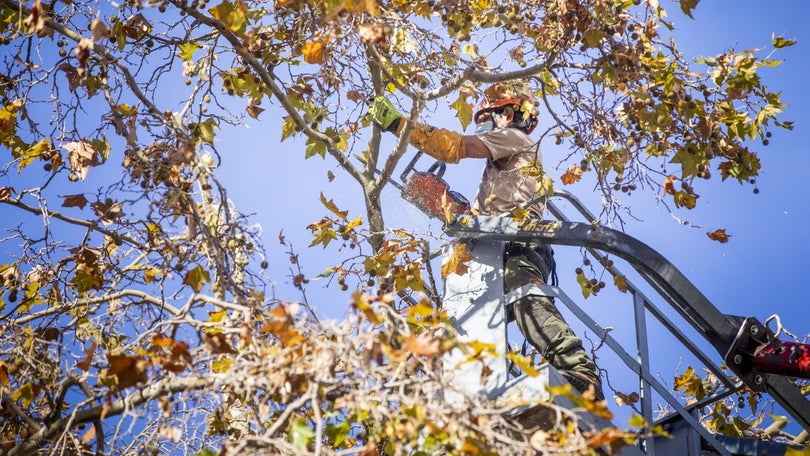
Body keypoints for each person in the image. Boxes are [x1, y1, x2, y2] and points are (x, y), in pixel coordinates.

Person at [367, 82, 604, 400]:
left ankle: (581, 373)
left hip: (520, 244)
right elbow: (478, 217)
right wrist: (446, 205)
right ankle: (488, 383)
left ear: (507, 114)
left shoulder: (515, 138)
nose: (482, 130)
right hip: (496, 248)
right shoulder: (499, 175)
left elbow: (454, 147)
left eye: (486, 121)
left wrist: (399, 124)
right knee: (473, 322)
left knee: (526, 300)